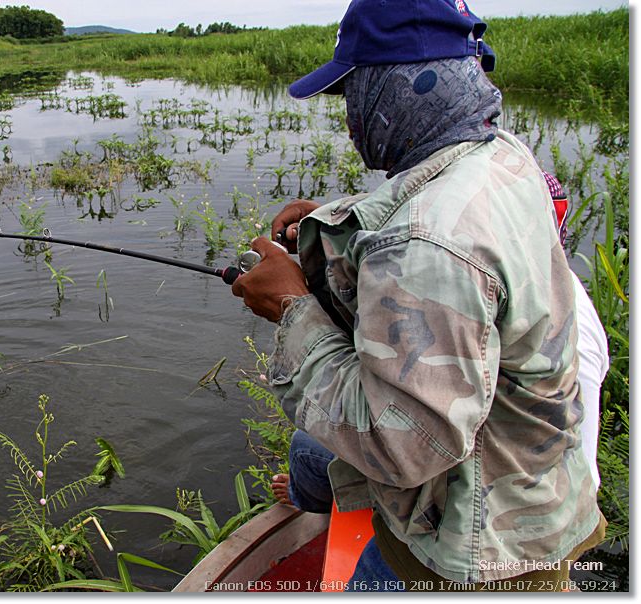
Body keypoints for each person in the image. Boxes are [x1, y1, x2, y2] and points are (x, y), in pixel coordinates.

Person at [230, 0, 606, 591]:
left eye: (356, 91)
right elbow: (440, 207)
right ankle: (315, 493)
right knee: (311, 452)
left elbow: (399, 447)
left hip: (469, 554)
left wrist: (292, 308)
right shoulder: (504, 154)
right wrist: (334, 220)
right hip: (536, 501)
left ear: (401, 85)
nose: (353, 117)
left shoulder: (426, 245)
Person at [271, 171, 610, 511]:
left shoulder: (482, 287)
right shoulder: (546, 287)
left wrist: (294, 307)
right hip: (526, 477)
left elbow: (401, 448)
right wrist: (333, 234)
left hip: (501, 512)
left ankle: (307, 502)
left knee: (306, 447)